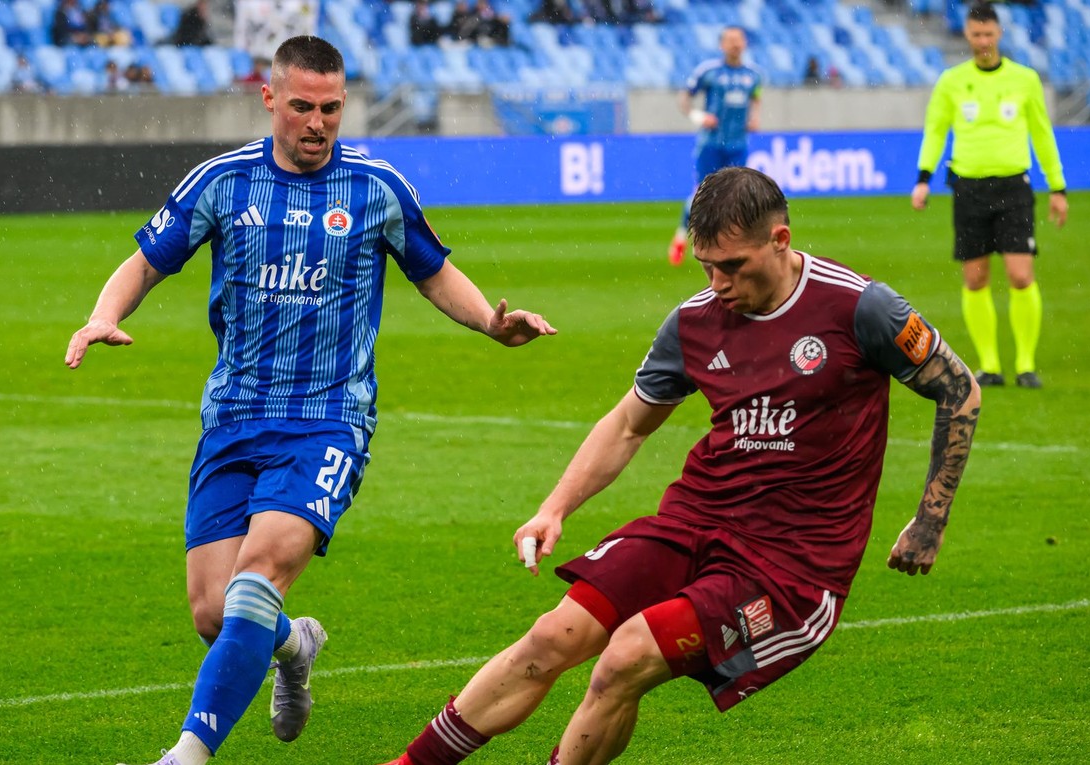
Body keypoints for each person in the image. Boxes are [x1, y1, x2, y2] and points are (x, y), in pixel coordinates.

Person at [378, 166, 981, 765]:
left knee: (625, 658)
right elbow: (628, 424)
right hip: (695, 521)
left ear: (780, 240)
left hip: (792, 563)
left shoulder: (860, 307)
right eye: (706, 266)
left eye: (733, 266)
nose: (718, 283)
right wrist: (553, 509)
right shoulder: (695, 321)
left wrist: (930, 521)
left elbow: (960, 390)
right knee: (552, 635)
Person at [64, 35, 557, 765]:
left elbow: (432, 272)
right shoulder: (223, 182)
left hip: (328, 420)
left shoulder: (376, 187)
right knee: (214, 613)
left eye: (330, 108)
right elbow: (145, 262)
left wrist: (490, 321)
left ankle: (187, 753)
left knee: (256, 579)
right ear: (270, 99)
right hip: (233, 417)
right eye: (302, 106)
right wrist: (104, 315)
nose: (317, 122)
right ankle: (295, 645)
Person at [911, 1, 1067, 390]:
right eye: (976, 34)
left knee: (1020, 275)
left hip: (1014, 186)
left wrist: (1057, 186)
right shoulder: (951, 81)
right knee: (975, 278)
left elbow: (1042, 133)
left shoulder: (1025, 79)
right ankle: (989, 365)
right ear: (967, 35)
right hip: (969, 188)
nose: (983, 41)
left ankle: (1025, 365)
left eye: (988, 34)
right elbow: (935, 130)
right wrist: (923, 178)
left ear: (999, 34)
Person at [669, 26, 762, 266]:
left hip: (738, 145)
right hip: (711, 144)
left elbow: (756, 97)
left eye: (738, 40)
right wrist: (698, 117)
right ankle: (682, 236)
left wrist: (754, 118)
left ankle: (728, 243)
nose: (735, 44)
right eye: (730, 40)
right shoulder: (709, 71)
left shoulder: (753, 74)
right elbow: (684, 97)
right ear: (722, 45)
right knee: (703, 193)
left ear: (745, 43)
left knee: (735, 196)